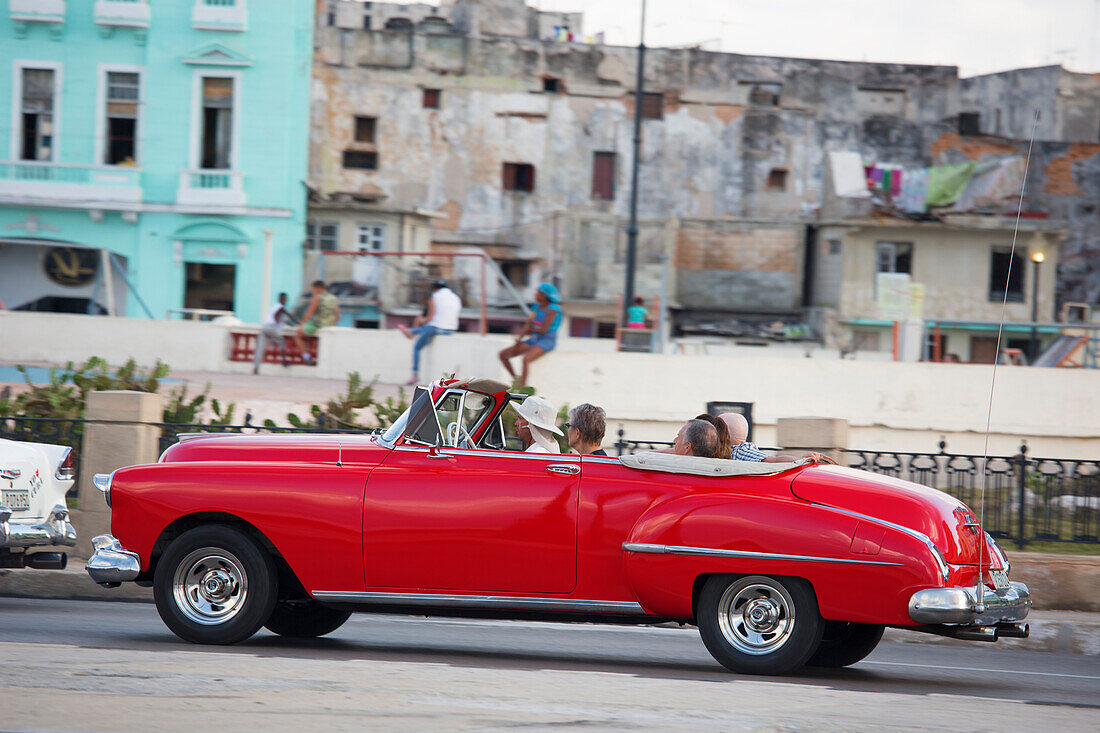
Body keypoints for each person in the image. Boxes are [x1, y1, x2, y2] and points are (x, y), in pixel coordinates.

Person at [397, 280, 462, 385]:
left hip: (436, 328)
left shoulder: (435, 296)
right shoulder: (455, 297)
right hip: (451, 329)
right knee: (427, 329)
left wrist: (420, 320)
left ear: (434, 289)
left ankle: (415, 374)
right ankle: (411, 331)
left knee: (417, 346)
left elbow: (430, 318)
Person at [499, 283, 563, 386]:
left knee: (526, 359)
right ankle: (516, 379)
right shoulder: (536, 308)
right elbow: (528, 324)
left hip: (546, 340)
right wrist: (519, 339)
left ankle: (523, 387)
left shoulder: (553, 309)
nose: (535, 295)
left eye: (538, 293)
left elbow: (543, 330)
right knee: (503, 354)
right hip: (534, 338)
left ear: (545, 295)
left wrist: (530, 329)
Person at [719, 412, 827, 463]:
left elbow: (773, 459)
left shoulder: (741, 452)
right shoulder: (732, 451)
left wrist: (799, 461)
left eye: (716, 428)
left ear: (724, 433)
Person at [294, 281, 340, 363]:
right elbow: (337, 315)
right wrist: (333, 325)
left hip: (317, 324)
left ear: (317, 289)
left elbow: (309, 313)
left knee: (298, 335)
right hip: (329, 325)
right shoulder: (333, 298)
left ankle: (306, 357)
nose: (312, 291)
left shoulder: (317, 297)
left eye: (313, 289)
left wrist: (301, 324)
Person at [252, 292, 296, 375]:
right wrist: (299, 323)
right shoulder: (280, 307)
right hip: (270, 328)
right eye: (284, 299)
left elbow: (286, 321)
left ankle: (256, 368)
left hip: (264, 328)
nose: (285, 301)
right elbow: (286, 315)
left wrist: (294, 325)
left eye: (285, 299)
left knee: (260, 348)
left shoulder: (275, 307)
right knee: (281, 340)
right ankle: (284, 361)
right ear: (280, 299)